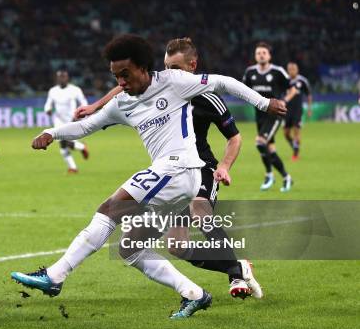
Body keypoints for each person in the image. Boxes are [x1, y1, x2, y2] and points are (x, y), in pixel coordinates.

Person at [12, 34, 284, 318]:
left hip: (182, 169)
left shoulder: (173, 82)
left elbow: (223, 82)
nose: (121, 83)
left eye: (126, 74)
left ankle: (55, 276)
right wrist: (51, 133)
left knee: (110, 208)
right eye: (116, 76)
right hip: (171, 179)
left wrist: (264, 103)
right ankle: (194, 294)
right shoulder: (122, 103)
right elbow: (85, 127)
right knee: (131, 247)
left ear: (144, 67)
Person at [74, 37, 268, 299]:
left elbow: (234, 137)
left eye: (175, 68)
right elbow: (122, 88)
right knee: (177, 247)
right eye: (167, 67)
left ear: (192, 65)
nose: (169, 73)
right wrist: (97, 105)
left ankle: (235, 278)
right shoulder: (160, 88)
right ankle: (238, 267)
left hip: (203, 170)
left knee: (201, 211)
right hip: (172, 174)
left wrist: (224, 166)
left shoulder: (207, 98)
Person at [242, 42, 297, 192]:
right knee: (270, 149)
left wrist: (283, 102)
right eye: (258, 53)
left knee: (260, 143)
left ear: (269, 55)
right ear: (255, 55)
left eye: (264, 53)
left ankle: (269, 175)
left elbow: (292, 90)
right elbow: (243, 90)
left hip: (274, 115)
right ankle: (286, 178)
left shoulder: (278, 71)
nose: (261, 55)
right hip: (259, 115)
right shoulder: (250, 72)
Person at [44, 69, 90, 173]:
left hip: (72, 119)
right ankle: (73, 167)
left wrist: (80, 113)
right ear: (57, 78)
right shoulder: (53, 91)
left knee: (66, 143)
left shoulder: (75, 90)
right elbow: (48, 103)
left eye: (63, 76)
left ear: (67, 78)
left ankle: (81, 147)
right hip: (58, 120)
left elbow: (83, 101)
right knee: (62, 143)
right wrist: (48, 109)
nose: (61, 78)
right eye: (60, 76)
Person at [284, 62, 312, 161]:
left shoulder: (302, 81)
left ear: (297, 70)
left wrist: (309, 108)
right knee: (286, 133)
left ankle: (295, 153)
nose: (292, 71)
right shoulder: (285, 80)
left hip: (297, 110)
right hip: (286, 110)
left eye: (294, 69)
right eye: (290, 69)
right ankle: (295, 146)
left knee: (296, 131)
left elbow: (308, 95)